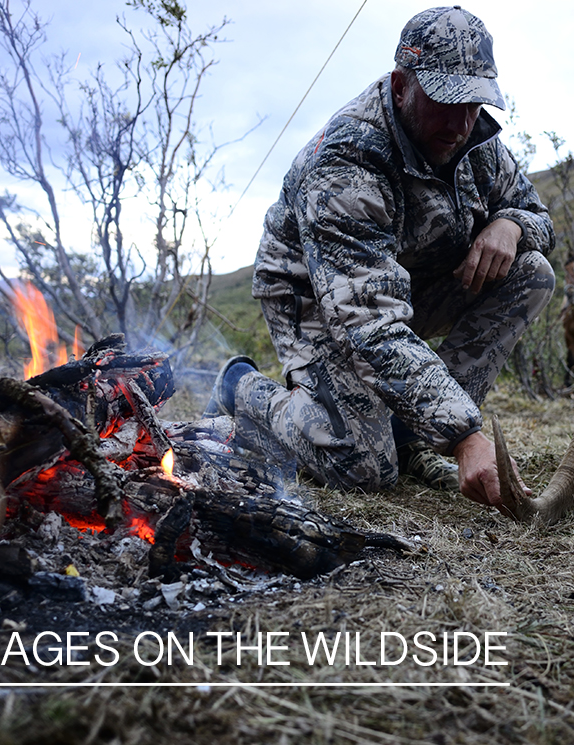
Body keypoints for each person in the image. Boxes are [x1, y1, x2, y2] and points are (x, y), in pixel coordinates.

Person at [206, 6, 555, 513]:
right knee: (361, 466)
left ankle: (408, 432)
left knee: (530, 273)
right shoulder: (348, 160)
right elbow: (368, 324)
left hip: (407, 286)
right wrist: (465, 437)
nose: (460, 123)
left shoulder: (475, 139)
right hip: (315, 299)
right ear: (400, 85)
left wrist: (512, 224)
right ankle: (243, 389)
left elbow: (537, 213)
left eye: (474, 103)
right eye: (445, 100)